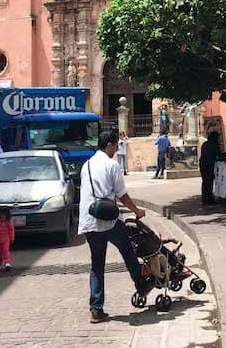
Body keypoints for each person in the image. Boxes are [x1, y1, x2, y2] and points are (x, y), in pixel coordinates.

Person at [78, 130, 149, 323]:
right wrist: (137, 211)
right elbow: (121, 194)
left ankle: (96, 309)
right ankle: (141, 285)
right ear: (108, 145)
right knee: (128, 251)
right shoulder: (111, 165)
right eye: (116, 145)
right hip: (107, 221)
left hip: (88, 221)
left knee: (97, 265)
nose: (117, 148)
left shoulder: (87, 165)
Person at [199, 130, 221, 204]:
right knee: (209, 181)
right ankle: (209, 199)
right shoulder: (214, 144)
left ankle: (204, 198)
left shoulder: (205, 144)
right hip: (209, 164)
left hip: (203, 164)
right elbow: (218, 154)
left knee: (205, 181)